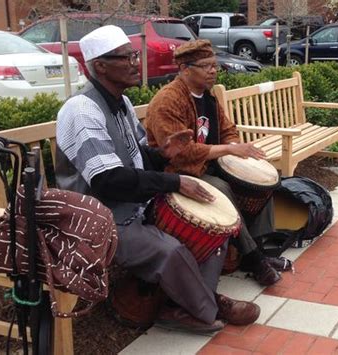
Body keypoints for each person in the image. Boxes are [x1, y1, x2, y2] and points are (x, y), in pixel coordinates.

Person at [55, 25, 261, 334]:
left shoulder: (121, 104)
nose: (136, 63)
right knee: (171, 250)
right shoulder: (82, 110)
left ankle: (180, 306)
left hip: (134, 204)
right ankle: (209, 307)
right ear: (100, 65)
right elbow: (108, 181)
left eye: (134, 55)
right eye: (126, 58)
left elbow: (136, 159)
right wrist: (175, 182)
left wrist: (163, 155)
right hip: (100, 218)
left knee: (212, 233)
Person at [146, 40, 291, 287]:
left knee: (261, 183)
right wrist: (228, 149)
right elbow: (180, 153)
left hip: (209, 164)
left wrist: (235, 153)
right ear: (184, 69)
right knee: (222, 189)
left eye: (214, 65)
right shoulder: (168, 101)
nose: (213, 71)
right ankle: (254, 259)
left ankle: (259, 248)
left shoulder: (207, 97)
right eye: (205, 66)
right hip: (179, 172)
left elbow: (228, 131)